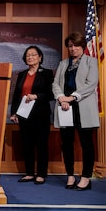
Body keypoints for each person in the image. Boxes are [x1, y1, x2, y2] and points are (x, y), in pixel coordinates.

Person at [52, 31, 99, 191]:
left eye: (76, 46)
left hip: (83, 108)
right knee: (67, 144)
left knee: (87, 144)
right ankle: (70, 175)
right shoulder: (63, 64)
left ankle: (85, 178)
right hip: (65, 109)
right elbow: (55, 83)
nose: (73, 49)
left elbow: (91, 84)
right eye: (70, 46)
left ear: (83, 46)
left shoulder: (91, 61)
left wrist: (71, 98)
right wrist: (60, 98)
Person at [10, 45, 53, 185]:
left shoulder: (46, 73)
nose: (30, 57)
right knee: (27, 144)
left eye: (33, 55)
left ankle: (41, 174)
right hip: (24, 114)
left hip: (41, 114)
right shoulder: (22, 74)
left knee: (41, 144)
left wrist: (36, 96)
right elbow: (17, 95)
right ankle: (29, 173)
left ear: (40, 57)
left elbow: (50, 94)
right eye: (28, 55)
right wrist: (14, 113)